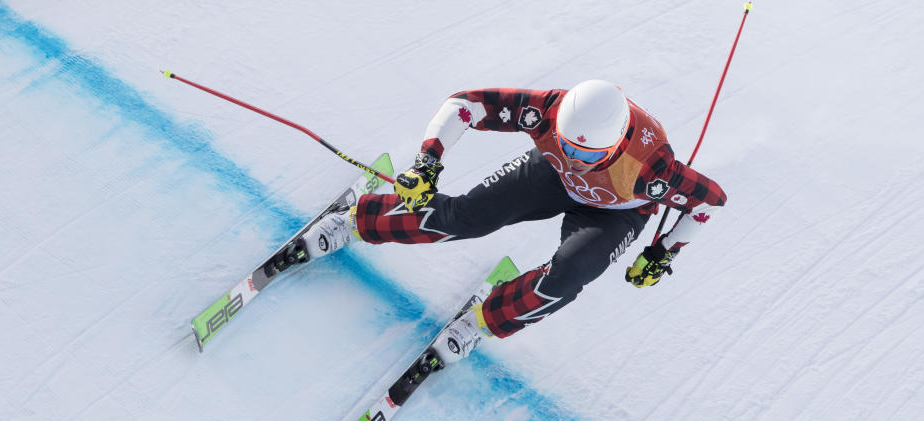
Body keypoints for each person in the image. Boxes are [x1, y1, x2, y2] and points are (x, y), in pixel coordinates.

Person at [299, 80, 726, 364]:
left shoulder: (653, 170)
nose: (578, 161)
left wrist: (662, 252)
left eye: (590, 156)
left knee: (569, 275)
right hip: (549, 176)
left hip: (616, 210)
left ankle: (484, 321)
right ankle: (354, 221)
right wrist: (427, 163)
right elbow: (464, 105)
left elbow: (708, 203)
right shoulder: (548, 110)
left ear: (613, 146)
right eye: (568, 146)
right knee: (464, 218)